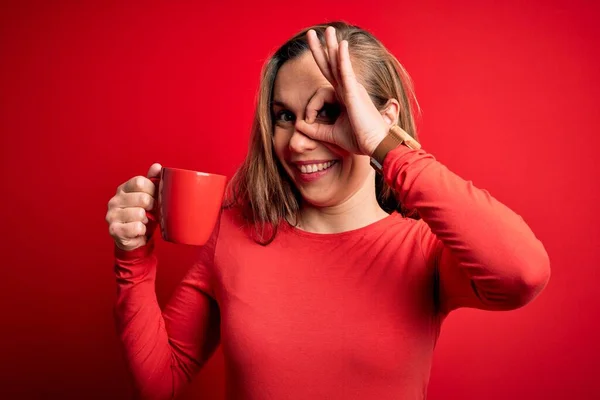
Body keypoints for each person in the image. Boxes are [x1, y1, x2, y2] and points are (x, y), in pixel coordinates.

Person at [105, 21, 550, 400]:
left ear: (379, 119)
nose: (298, 141)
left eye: (331, 111)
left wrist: (386, 147)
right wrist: (133, 257)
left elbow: (521, 273)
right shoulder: (233, 233)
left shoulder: (423, 251)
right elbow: (159, 381)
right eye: (284, 116)